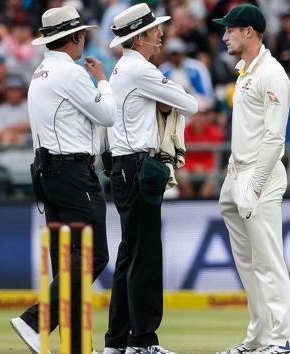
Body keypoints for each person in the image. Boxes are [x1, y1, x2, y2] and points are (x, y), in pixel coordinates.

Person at [9, 5, 115, 354]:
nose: (84, 38)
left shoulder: (40, 71)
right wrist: (103, 81)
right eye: (82, 34)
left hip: (48, 171)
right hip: (71, 172)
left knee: (67, 260)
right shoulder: (70, 73)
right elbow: (106, 114)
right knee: (93, 255)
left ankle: (73, 344)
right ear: (73, 37)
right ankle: (34, 320)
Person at [103, 4, 198, 354]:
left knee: (130, 254)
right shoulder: (140, 70)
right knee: (144, 257)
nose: (160, 34)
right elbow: (191, 105)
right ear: (140, 36)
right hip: (137, 167)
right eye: (154, 30)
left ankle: (117, 341)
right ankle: (142, 341)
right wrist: (168, 99)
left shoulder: (122, 68)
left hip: (124, 167)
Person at [213, 4, 290, 354]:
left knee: (267, 262)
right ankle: (260, 337)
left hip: (259, 178)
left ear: (249, 32)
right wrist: (236, 181)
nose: (224, 36)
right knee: (248, 265)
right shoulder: (245, 71)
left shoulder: (273, 73)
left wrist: (255, 184)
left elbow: (274, 139)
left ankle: (285, 340)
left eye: (230, 30)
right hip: (237, 174)